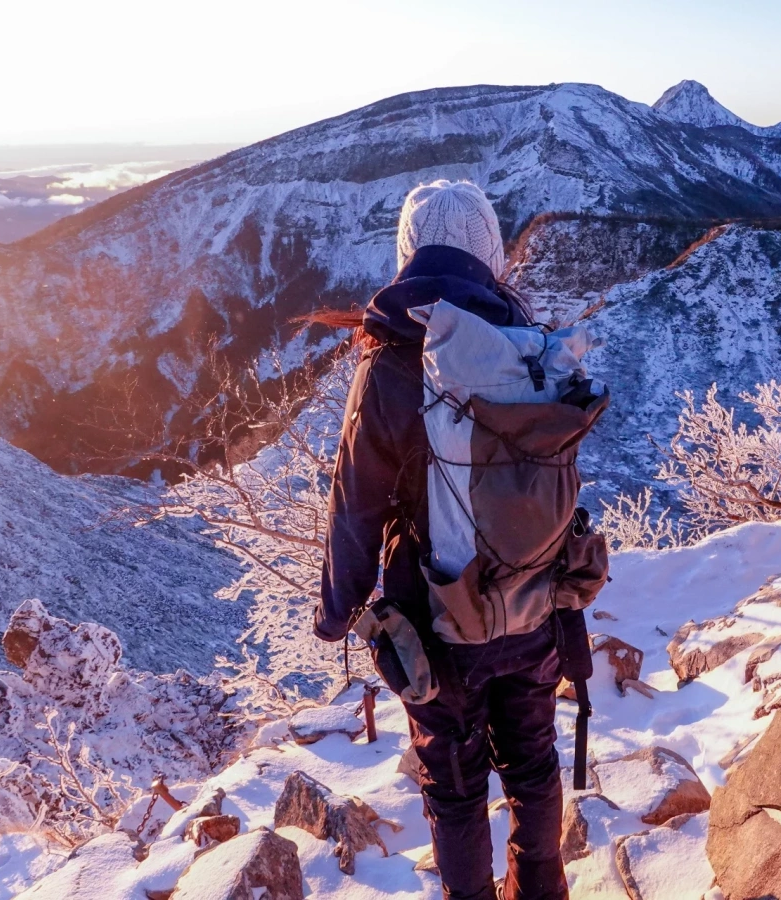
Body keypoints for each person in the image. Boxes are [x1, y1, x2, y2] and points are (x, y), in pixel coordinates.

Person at [313, 180, 578, 900]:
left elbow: (355, 504)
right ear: (490, 256)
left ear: (408, 256)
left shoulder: (394, 360)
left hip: (436, 620)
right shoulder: (529, 346)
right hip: (533, 605)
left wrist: (338, 610)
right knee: (532, 764)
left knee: (456, 788)